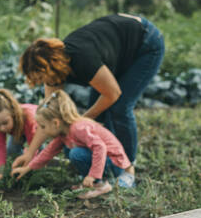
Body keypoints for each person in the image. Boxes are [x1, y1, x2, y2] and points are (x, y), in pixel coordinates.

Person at [14, 14, 165, 179]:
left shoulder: (83, 60)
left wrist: (80, 122)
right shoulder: (54, 75)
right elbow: (47, 117)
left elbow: (113, 93)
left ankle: (128, 170)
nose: (42, 83)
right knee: (94, 115)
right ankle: (105, 165)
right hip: (117, 47)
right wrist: (30, 154)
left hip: (145, 42)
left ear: (50, 68)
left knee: (119, 107)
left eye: (41, 78)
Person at [11, 90, 135, 199]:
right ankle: (99, 180)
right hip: (107, 162)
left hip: (115, 163)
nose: (42, 131)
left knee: (76, 153)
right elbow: (48, 152)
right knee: (72, 152)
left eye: (43, 127)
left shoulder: (78, 128)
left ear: (56, 123)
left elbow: (100, 147)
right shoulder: (64, 133)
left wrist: (93, 175)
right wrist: (27, 168)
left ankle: (99, 183)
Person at [0, 88, 39, 180]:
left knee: (39, 153)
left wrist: (27, 167)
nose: (2, 128)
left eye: (5, 123)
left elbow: (34, 146)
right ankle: (18, 169)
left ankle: (34, 173)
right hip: (18, 131)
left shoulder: (28, 117)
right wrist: (1, 171)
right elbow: (0, 147)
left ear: (13, 114)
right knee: (11, 149)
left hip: (38, 130)